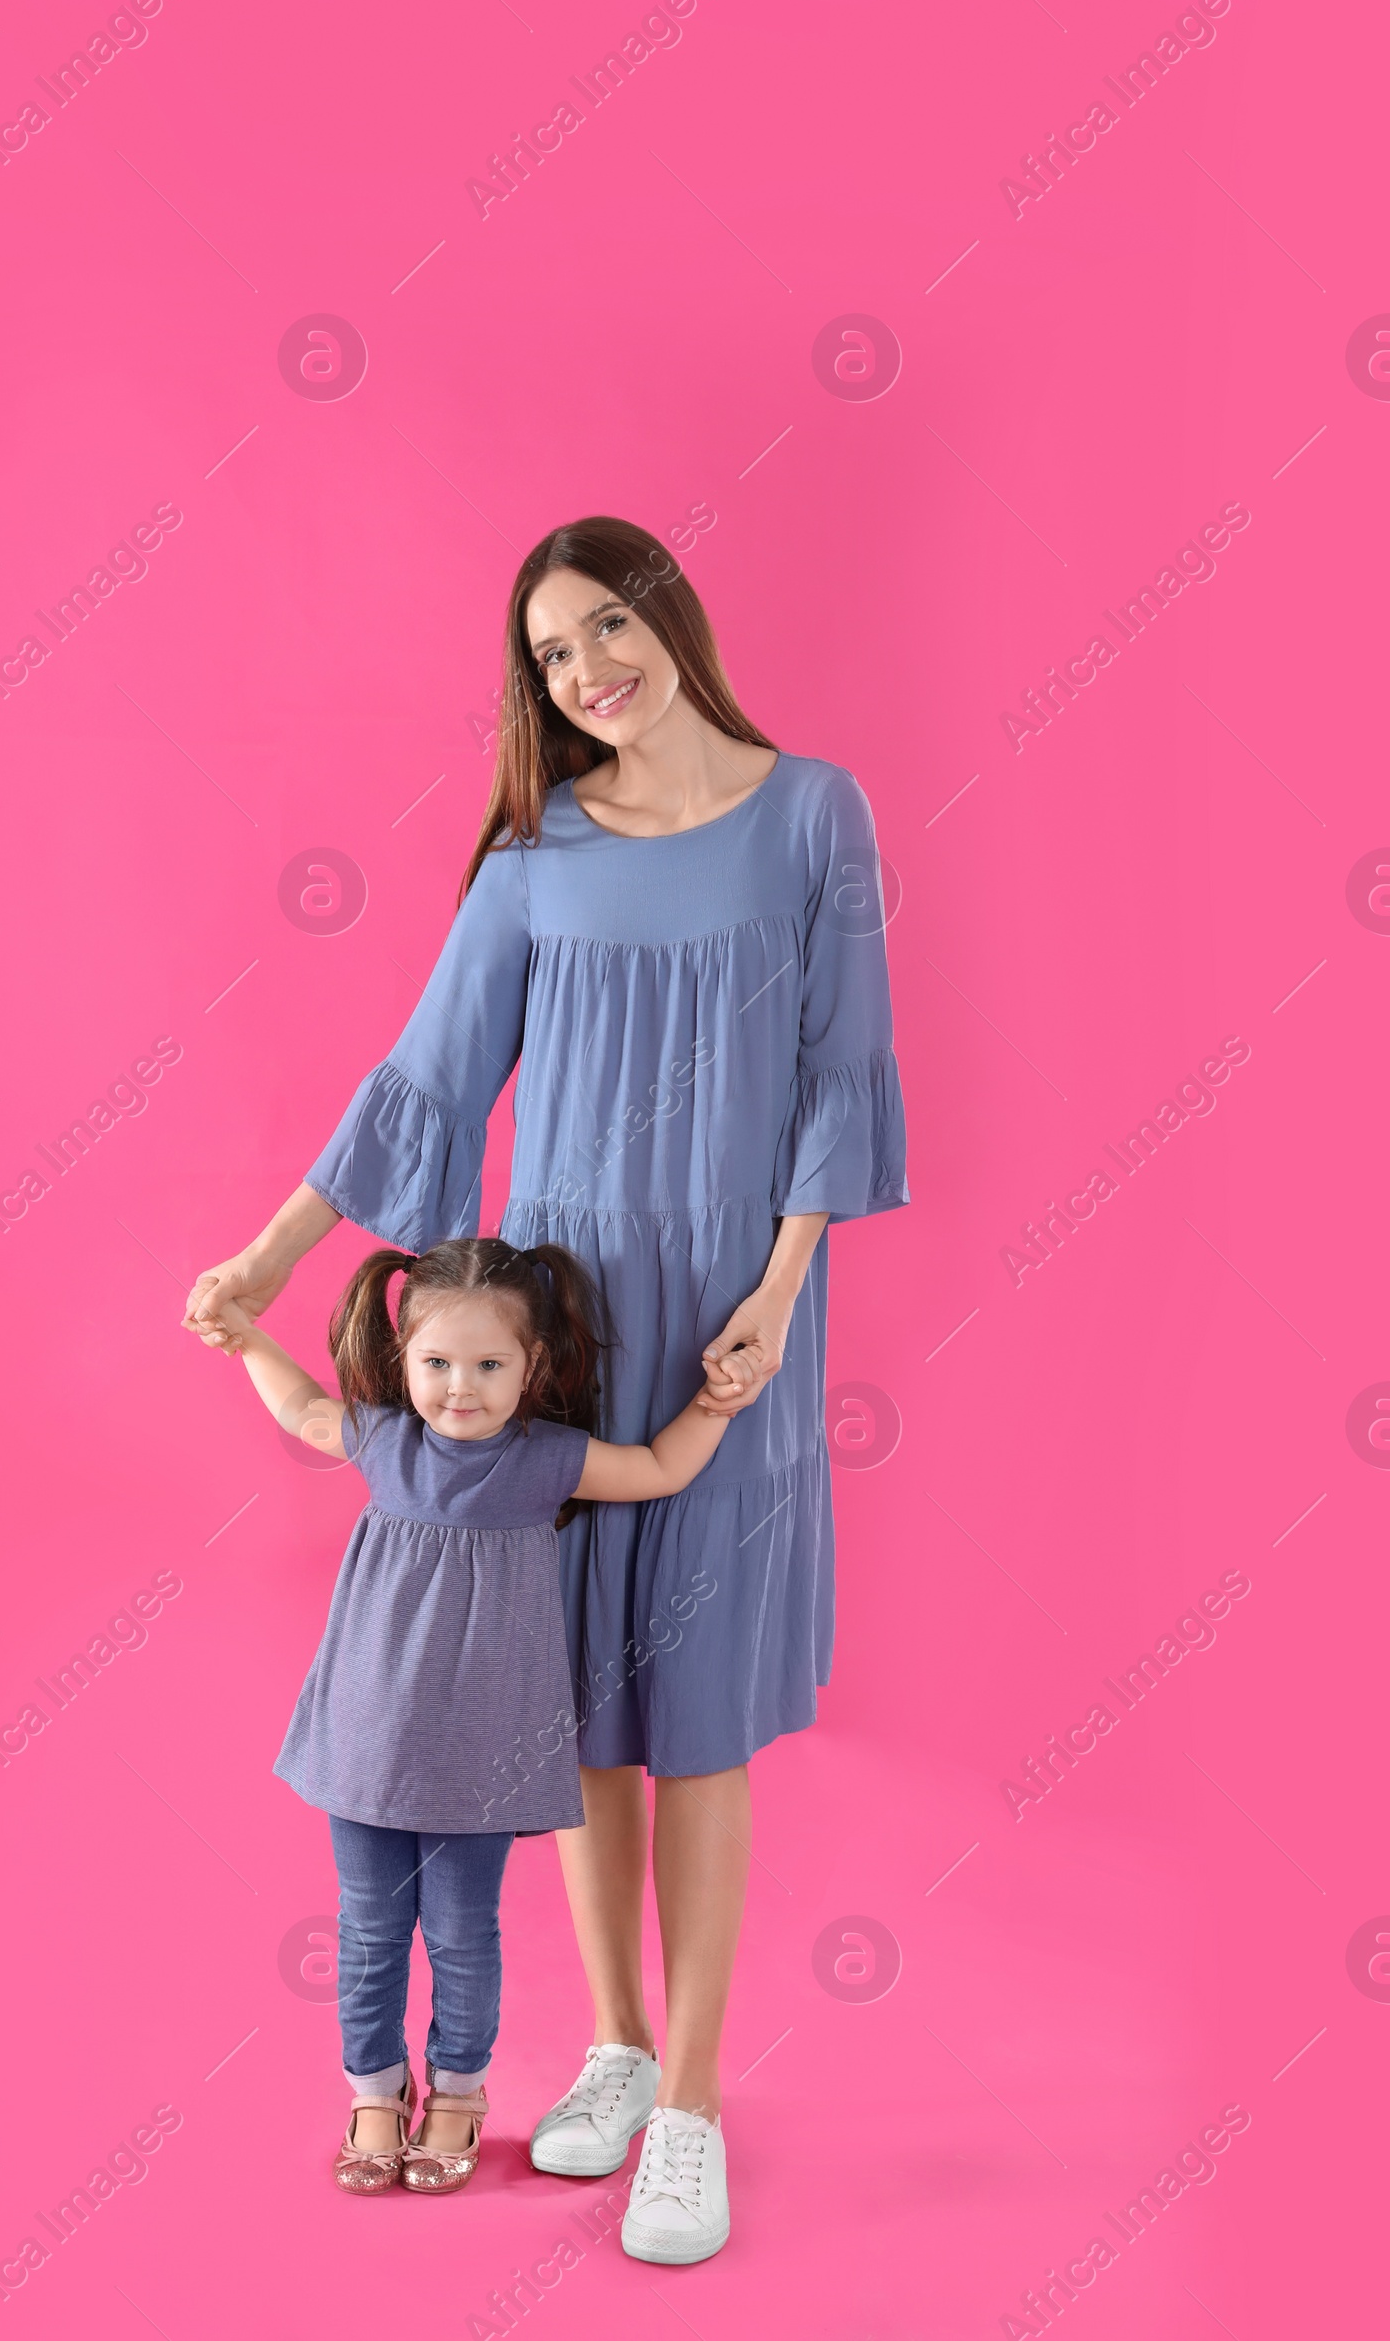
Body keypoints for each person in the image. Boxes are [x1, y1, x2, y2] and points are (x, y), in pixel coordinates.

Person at [185, 515, 908, 2263]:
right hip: (556, 1338)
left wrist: (786, 1292)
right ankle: (611, 2042)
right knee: (574, 1703)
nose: (590, 669)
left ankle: (694, 2106)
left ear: (669, 610)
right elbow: (426, 1083)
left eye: (606, 624)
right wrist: (275, 1260)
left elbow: (845, 1064)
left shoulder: (817, 813)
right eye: (553, 655)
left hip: (732, 1321)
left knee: (702, 1716)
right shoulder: (533, 853)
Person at [229, 1234, 732, 2202]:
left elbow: (660, 1467)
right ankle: (376, 2095)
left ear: (532, 1365)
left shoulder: (545, 1462)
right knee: (371, 1932)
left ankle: (457, 2093)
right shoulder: (386, 1443)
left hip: (482, 1763)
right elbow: (299, 1409)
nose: (461, 1388)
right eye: (438, 1364)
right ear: (405, 1359)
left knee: (463, 1936)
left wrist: (717, 1400)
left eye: (490, 1365)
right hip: (367, 1750)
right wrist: (245, 1334)